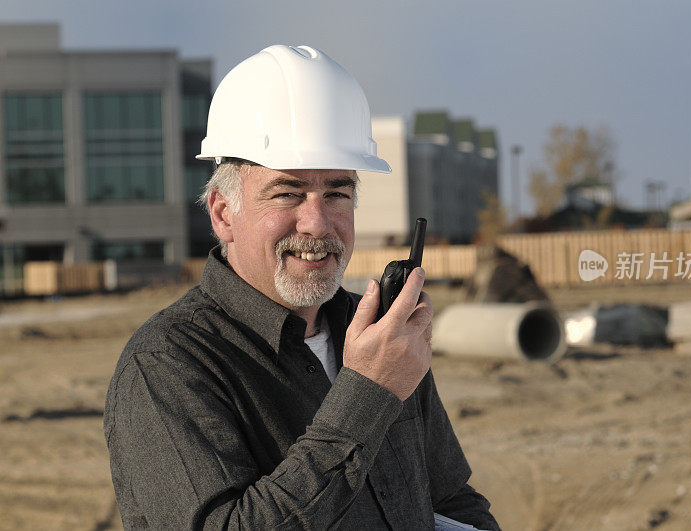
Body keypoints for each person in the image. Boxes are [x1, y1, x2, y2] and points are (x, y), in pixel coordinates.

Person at [104, 44, 499, 530]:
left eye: (337, 192)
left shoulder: (377, 331)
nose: (317, 223)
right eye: (287, 192)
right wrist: (367, 393)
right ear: (223, 214)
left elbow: (451, 499)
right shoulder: (167, 365)